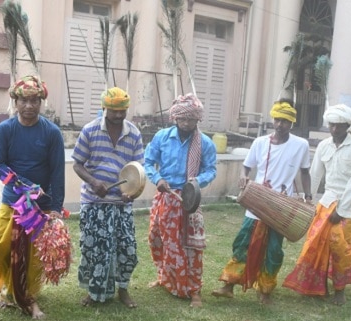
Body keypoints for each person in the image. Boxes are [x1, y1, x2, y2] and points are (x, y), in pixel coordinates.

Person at [212, 101, 311, 304]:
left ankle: (265, 290)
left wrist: (308, 197)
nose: (280, 124)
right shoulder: (260, 142)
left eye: (285, 121)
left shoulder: (301, 145)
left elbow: (305, 172)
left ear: (292, 123)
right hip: (257, 202)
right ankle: (228, 285)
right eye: (277, 119)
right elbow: (246, 167)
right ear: (272, 120)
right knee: (243, 244)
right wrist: (243, 176)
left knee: (274, 249)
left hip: (281, 205)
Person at [0, 75, 65, 319]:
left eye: (34, 101)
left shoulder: (52, 133)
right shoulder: (5, 130)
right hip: (12, 201)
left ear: (41, 102)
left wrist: (55, 206)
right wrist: (22, 185)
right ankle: (9, 292)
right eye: (24, 101)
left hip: (39, 208)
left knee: (33, 258)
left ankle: (30, 299)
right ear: (15, 101)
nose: (29, 106)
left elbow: (57, 172)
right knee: (2, 247)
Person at [282, 104, 351, 305]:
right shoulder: (324, 146)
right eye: (331, 125)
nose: (334, 130)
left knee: (341, 249)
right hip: (326, 202)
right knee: (314, 243)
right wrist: (307, 200)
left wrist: (341, 210)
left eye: (339, 126)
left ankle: (340, 290)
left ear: (348, 125)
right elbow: (314, 176)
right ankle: (317, 285)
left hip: (350, 206)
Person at [72, 87, 144, 308]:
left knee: (126, 248)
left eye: (123, 111)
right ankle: (94, 292)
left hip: (120, 203)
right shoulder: (90, 130)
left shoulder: (134, 134)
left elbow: (137, 169)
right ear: (104, 108)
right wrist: (94, 182)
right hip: (94, 202)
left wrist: (130, 193)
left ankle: (123, 289)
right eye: (114, 111)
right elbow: (77, 164)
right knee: (95, 249)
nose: (119, 115)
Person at [144, 93, 217, 307]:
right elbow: (148, 162)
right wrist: (157, 179)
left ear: (197, 120)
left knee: (191, 245)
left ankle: (194, 290)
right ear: (175, 118)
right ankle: (165, 278)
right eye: (182, 119)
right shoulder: (162, 137)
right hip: (165, 198)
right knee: (158, 239)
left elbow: (211, 170)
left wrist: (195, 183)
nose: (186, 123)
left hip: (189, 201)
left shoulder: (205, 144)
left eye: (190, 119)